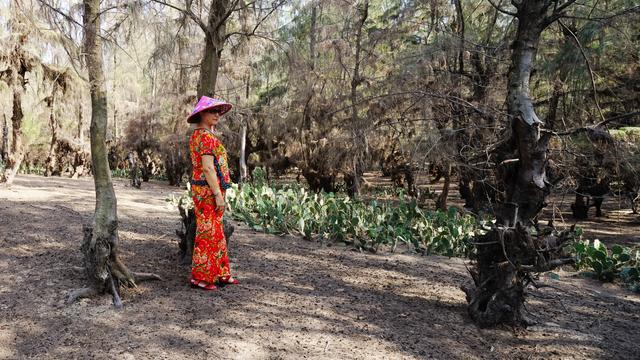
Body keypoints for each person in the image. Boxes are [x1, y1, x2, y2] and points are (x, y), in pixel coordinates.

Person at [186, 96, 238, 290]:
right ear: (202, 114)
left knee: (216, 230)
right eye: (212, 111)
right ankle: (201, 278)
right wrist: (217, 194)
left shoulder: (200, 135)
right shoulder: (205, 137)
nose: (217, 115)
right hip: (208, 190)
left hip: (208, 189)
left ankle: (221, 273)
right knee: (208, 231)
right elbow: (207, 168)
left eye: (219, 112)